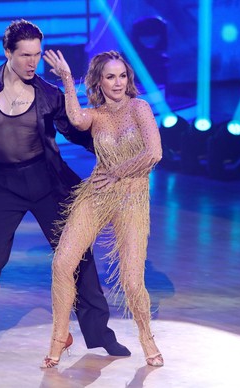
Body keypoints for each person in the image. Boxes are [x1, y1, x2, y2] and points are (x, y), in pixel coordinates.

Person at [0, 19, 130, 371]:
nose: (33, 63)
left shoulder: (49, 95)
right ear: (7, 53)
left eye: (37, 54)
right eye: (25, 55)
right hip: (3, 187)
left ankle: (100, 334)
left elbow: (79, 133)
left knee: (77, 257)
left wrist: (117, 144)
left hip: (48, 183)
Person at [40, 49, 164, 368]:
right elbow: (76, 119)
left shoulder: (140, 108)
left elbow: (154, 153)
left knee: (133, 281)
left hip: (131, 198)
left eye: (122, 75)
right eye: (110, 77)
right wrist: (68, 79)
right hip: (96, 193)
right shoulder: (95, 114)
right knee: (62, 262)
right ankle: (59, 338)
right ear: (98, 81)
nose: (118, 82)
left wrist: (117, 172)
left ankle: (146, 337)